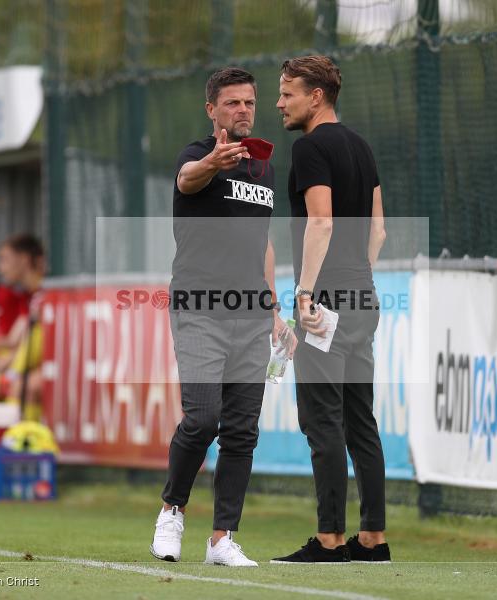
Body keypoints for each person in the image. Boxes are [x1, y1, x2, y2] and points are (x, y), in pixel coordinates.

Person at [150, 67, 294, 568]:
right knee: (203, 418)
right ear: (212, 109)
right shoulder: (195, 156)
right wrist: (214, 160)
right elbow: (187, 179)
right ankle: (172, 510)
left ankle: (222, 539)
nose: (243, 110)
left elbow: (264, 243)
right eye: (232, 102)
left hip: (251, 313)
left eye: (249, 102)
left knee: (241, 430)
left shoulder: (264, 167)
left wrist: (274, 310)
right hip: (200, 308)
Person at [271, 56, 390, 564]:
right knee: (361, 422)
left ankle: (330, 540)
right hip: (363, 297)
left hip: (324, 304)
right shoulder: (361, 147)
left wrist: (305, 294)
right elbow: (378, 230)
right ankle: (373, 539)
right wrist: (357, 279)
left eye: (287, 93)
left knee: (322, 423)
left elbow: (321, 222)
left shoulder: (310, 148)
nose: (279, 103)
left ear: (315, 96)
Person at [0, 233, 45, 421]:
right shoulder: (27, 297)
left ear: (24, 259)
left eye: (4, 259)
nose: (0, 268)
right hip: (27, 367)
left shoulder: (46, 293)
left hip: (46, 368)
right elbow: (14, 341)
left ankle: (24, 436)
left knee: (20, 387)